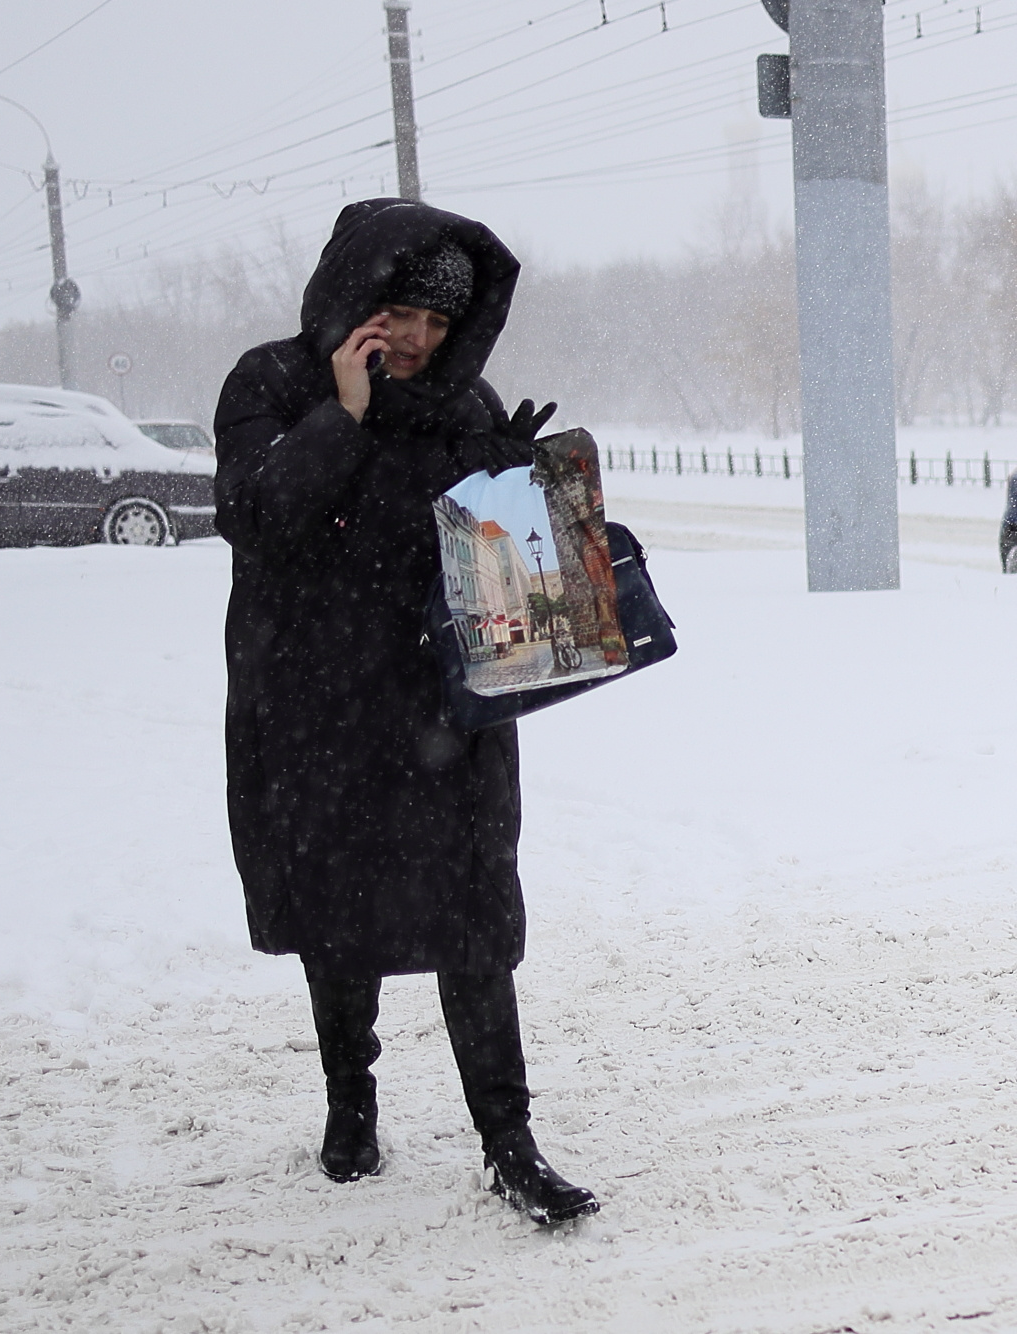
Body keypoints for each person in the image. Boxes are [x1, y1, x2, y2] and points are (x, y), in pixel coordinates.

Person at [213, 198, 598, 1226]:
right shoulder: (272, 382)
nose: (422, 338)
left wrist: (519, 493)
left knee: (475, 918)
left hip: (444, 706)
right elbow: (254, 518)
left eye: (441, 320)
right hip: (315, 709)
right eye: (403, 311)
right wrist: (340, 414)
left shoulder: (466, 405)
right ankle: (351, 1104)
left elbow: (500, 580)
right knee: (339, 918)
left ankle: (510, 1142)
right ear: (354, 295)